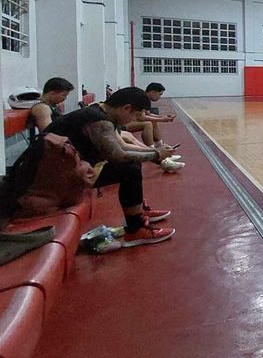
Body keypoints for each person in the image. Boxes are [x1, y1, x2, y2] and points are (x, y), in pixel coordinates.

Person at [44, 87, 177, 246]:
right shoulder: (99, 121)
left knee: (131, 165)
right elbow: (119, 156)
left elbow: (122, 148)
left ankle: (138, 212)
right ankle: (136, 229)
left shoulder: (100, 111)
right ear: (126, 108)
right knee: (129, 169)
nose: (135, 119)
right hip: (56, 178)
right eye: (135, 115)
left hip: (65, 169)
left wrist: (156, 154)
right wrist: (156, 155)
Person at [125, 82, 176, 146]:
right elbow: (141, 117)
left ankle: (159, 144)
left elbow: (148, 114)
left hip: (129, 120)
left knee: (153, 121)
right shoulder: (142, 98)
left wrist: (162, 117)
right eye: (159, 94)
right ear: (152, 92)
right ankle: (152, 150)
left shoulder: (145, 98)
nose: (159, 97)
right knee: (147, 124)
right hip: (123, 124)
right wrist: (162, 119)